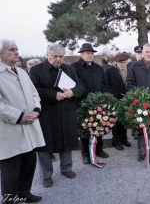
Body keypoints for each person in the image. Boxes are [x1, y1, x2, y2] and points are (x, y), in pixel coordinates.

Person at [30, 44, 85, 187]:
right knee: (45, 145)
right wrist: (54, 95)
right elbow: (34, 90)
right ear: (48, 54)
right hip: (47, 114)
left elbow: (80, 86)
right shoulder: (37, 70)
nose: (58, 59)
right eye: (55, 56)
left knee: (66, 141)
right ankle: (46, 175)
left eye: (61, 56)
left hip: (67, 112)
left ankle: (66, 168)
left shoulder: (69, 69)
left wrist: (72, 92)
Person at [0, 39, 45, 203]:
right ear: (0, 54)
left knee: (29, 163)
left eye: (17, 49)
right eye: (11, 50)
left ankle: (24, 193)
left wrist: (36, 110)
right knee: (10, 168)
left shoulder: (22, 72)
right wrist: (19, 116)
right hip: (9, 129)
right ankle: (10, 198)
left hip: (30, 125)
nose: (17, 52)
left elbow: (34, 94)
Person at [71, 43, 109, 164]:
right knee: (85, 129)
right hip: (83, 103)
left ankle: (99, 149)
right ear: (81, 54)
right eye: (88, 53)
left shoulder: (98, 68)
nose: (90, 55)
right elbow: (74, 85)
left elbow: (103, 83)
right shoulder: (74, 67)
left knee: (100, 125)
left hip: (98, 102)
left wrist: (101, 97)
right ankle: (86, 154)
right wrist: (88, 96)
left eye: (92, 53)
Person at [105, 52, 132, 151]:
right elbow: (105, 83)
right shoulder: (109, 70)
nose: (123, 64)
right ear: (116, 62)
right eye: (121, 62)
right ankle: (116, 141)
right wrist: (110, 95)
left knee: (124, 120)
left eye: (125, 62)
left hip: (126, 98)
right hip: (115, 98)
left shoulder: (129, 69)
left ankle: (124, 139)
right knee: (115, 121)